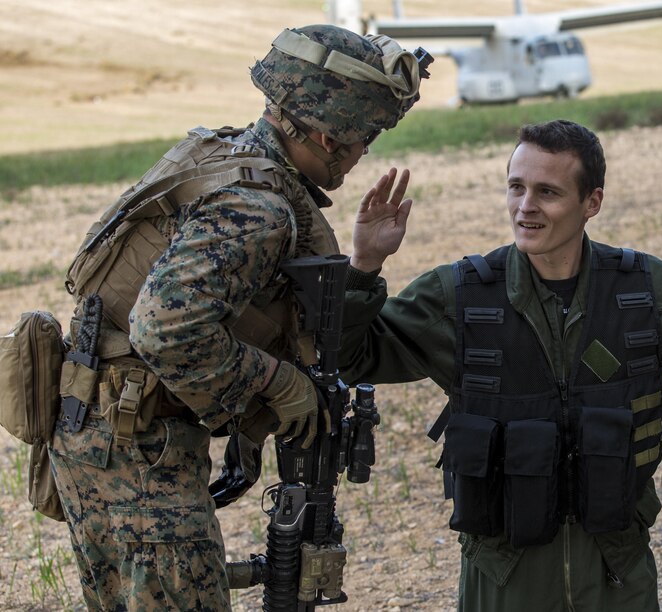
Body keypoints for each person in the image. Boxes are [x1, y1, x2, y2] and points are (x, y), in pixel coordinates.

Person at [51, 25, 426, 610]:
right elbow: (166, 331)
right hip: (133, 445)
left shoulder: (221, 155)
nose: (361, 157)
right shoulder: (255, 206)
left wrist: (362, 265)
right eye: (362, 142)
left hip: (106, 428)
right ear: (328, 137)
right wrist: (282, 386)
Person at [338, 119, 662, 610]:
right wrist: (363, 266)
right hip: (503, 574)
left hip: (617, 567)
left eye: (547, 192)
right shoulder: (459, 296)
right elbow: (351, 358)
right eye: (516, 188)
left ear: (591, 202)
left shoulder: (643, 289)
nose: (526, 207)